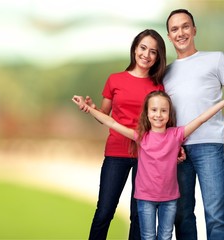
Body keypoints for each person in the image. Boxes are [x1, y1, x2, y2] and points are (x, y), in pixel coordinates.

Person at [72, 83, 224, 240]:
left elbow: (201, 119)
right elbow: (112, 122)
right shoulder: (141, 136)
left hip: (169, 200)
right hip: (145, 199)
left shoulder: (176, 134)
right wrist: (89, 109)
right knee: (148, 237)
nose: (158, 114)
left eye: (164, 110)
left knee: (165, 236)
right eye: (154, 110)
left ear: (169, 114)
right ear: (147, 113)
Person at [75, 29, 167, 240]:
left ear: (157, 56)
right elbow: (104, 116)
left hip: (146, 157)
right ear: (135, 49)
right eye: (143, 48)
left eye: (153, 51)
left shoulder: (158, 85)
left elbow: (161, 122)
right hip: (116, 153)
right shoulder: (115, 80)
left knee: (139, 215)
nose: (146, 54)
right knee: (105, 211)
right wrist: (92, 108)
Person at [164, 9, 224, 240]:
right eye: (175, 29)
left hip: (209, 145)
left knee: (217, 215)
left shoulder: (216, 58)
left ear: (194, 30)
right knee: (181, 215)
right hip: (177, 150)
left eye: (185, 26)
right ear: (169, 36)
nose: (181, 32)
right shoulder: (166, 72)